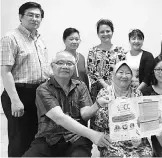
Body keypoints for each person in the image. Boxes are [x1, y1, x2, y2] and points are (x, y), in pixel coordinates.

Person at [23, 51, 112, 157]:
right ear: (52, 66)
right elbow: (59, 118)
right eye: (60, 63)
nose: (65, 66)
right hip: (48, 138)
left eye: (69, 64)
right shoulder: (43, 89)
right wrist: (93, 134)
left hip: (77, 138)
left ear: (74, 68)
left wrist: (97, 104)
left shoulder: (81, 86)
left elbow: (85, 114)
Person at [0, 2, 50, 157]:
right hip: (19, 93)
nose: (35, 19)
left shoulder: (39, 39)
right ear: (21, 17)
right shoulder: (11, 38)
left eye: (38, 16)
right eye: (30, 15)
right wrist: (15, 100)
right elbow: (5, 71)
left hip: (38, 93)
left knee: (35, 136)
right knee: (19, 138)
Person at [90, 61, 153, 157]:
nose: (124, 76)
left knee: (146, 155)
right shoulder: (105, 93)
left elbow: (143, 120)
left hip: (135, 139)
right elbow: (98, 123)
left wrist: (139, 135)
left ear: (131, 77)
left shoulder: (137, 94)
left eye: (128, 73)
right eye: (120, 72)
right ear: (114, 75)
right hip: (112, 139)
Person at [87, 19, 126, 103]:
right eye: (102, 32)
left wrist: (114, 87)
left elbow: (124, 70)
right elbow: (92, 72)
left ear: (112, 32)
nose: (105, 34)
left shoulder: (120, 51)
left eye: (108, 31)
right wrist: (106, 86)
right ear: (98, 34)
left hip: (118, 89)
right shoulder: (93, 51)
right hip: (98, 90)